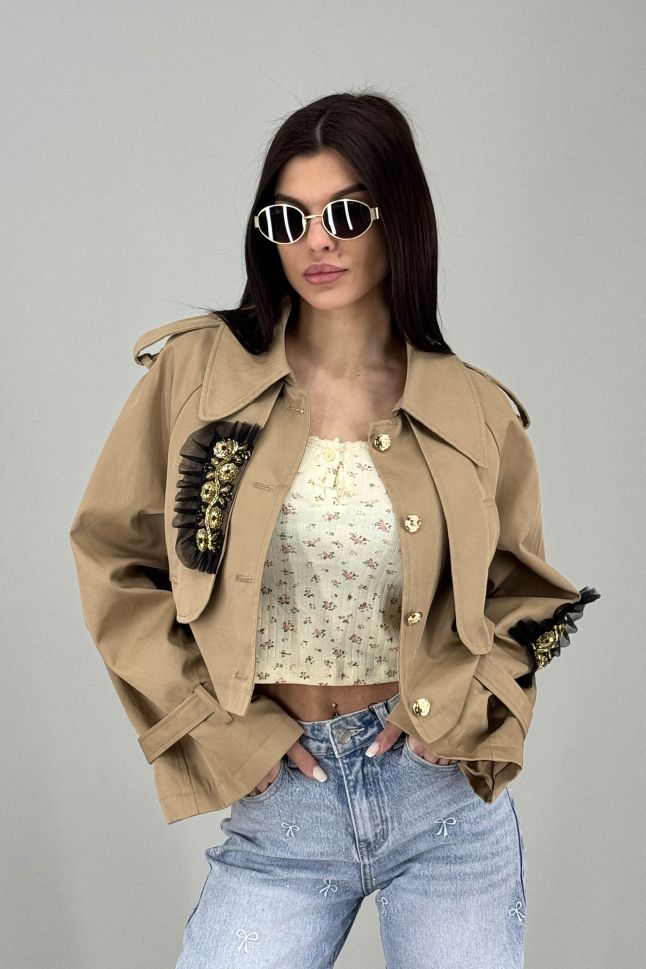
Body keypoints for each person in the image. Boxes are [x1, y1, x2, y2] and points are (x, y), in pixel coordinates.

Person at [69, 91, 600, 968]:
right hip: (284, 801)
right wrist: (218, 730)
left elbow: (529, 598)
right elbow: (113, 555)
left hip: (442, 808)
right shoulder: (197, 378)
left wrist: (464, 711)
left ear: (399, 218)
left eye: (346, 214)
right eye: (291, 218)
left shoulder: (475, 409)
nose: (318, 240)